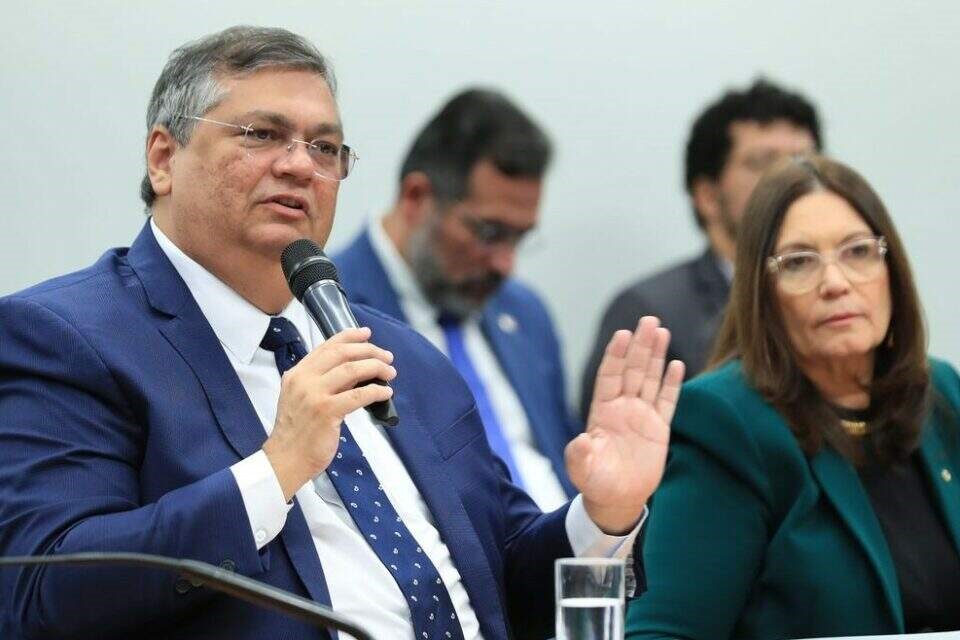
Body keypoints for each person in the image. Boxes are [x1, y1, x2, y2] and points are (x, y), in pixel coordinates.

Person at [0, 26, 684, 640]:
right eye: (261, 134)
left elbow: (502, 578)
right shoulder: (65, 337)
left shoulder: (401, 353)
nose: (301, 165)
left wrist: (603, 514)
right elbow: (39, 596)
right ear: (162, 158)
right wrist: (276, 469)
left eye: (324, 147)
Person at [625, 155, 960, 639]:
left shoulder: (940, 395)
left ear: (891, 269)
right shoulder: (725, 422)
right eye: (799, 262)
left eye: (857, 252)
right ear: (762, 293)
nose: (836, 283)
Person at [335, 89, 578, 509]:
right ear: (416, 197)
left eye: (520, 237)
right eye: (490, 233)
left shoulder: (525, 314)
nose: (506, 264)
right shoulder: (326, 310)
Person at [580, 79, 821, 419]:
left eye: (805, 161)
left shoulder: (839, 293)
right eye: (764, 163)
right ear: (708, 196)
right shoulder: (651, 314)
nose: (792, 180)